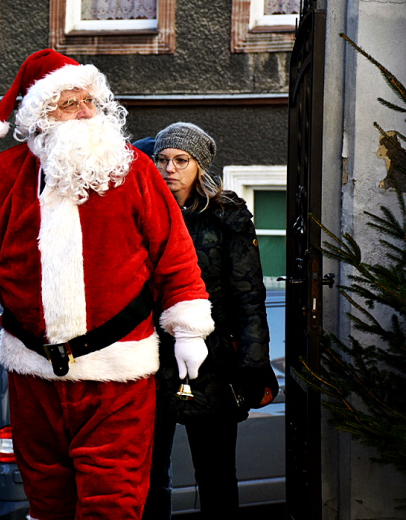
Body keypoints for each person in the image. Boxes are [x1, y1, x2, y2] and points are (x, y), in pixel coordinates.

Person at [0, 49, 215, 520]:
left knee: (113, 503)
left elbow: (174, 252)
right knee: (47, 500)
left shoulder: (134, 171)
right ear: (40, 115)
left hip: (116, 376)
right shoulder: (1, 176)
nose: (86, 113)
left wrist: (188, 327)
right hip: (32, 375)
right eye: (70, 103)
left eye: (90, 101)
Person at [141, 122, 280, 519]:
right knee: (148, 476)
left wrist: (253, 364)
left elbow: (249, 296)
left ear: (199, 167)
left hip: (214, 362)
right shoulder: (143, 214)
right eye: (162, 159)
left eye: (180, 160)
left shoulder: (227, 217)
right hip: (152, 360)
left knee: (216, 476)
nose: (169, 168)